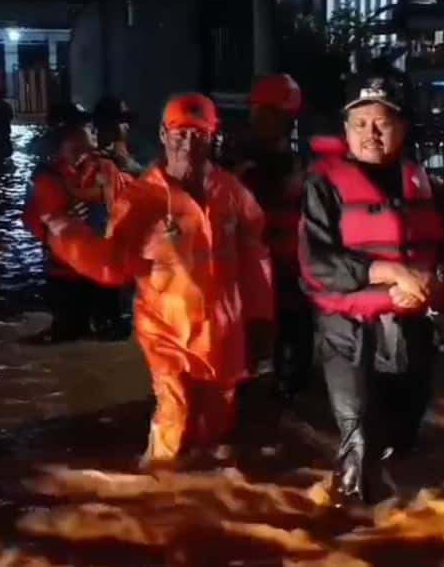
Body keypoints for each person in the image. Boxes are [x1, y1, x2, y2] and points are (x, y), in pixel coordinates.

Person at [40, 92, 274, 465]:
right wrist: (66, 235)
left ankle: (202, 499)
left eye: (198, 134)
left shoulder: (232, 192)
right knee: (175, 415)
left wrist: (261, 318)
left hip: (224, 332)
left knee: (215, 425)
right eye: (179, 134)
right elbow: (112, 263)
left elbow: (255, 256)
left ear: (212, 138)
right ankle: (157, 491)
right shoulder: (141, 198)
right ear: (164, 136)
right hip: (166, 332)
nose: (187, 143)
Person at [299, 74, 444, 504]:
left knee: (404, 440)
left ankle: (402, 532)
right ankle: (346, 537)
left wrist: (440, 279)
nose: (370, 134)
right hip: (349, 330)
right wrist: (389, 272)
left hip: (411, 328)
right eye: (360, 124)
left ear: (402, 128)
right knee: (361, 445)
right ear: (345, 129)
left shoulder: (424, 183)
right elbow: (315, 265)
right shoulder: (323, 184)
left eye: (381, 123)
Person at [234, 73, 314, 398]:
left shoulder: (291, 160)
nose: (284, 124)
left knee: (294, 337)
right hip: (255, 267)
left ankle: (287, 389)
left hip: (288, 265)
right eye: (276, 116)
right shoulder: (243, 161)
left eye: (286, 118)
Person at [22, 109, 123, 342]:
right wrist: (62, 221)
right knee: (67, 334)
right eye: (76, 140)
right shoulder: (45, 178)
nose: (83, 148)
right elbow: (34, 224)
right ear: (61, 142)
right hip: (66, 273)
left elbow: (123, 212)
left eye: (88, 133)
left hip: (104, 271)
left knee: (108, 334)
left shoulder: (107, 169)